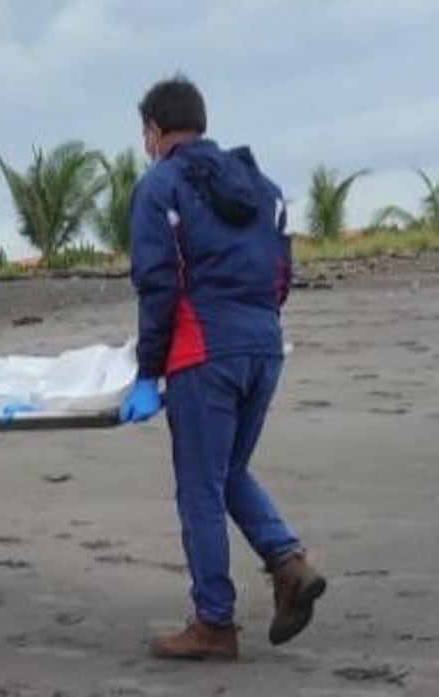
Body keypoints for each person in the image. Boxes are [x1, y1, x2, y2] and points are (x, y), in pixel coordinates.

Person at [120, 76, 326, 660]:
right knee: (229, 468)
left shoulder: (160, 186)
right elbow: (282, 275)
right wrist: (255, 327)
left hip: (203, 351)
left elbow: (157, 284)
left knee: (200, 489)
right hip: (264, 344)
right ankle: (287, 563)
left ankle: (213, 622)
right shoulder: (264, 187)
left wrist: (146, 370)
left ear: (154, 132)